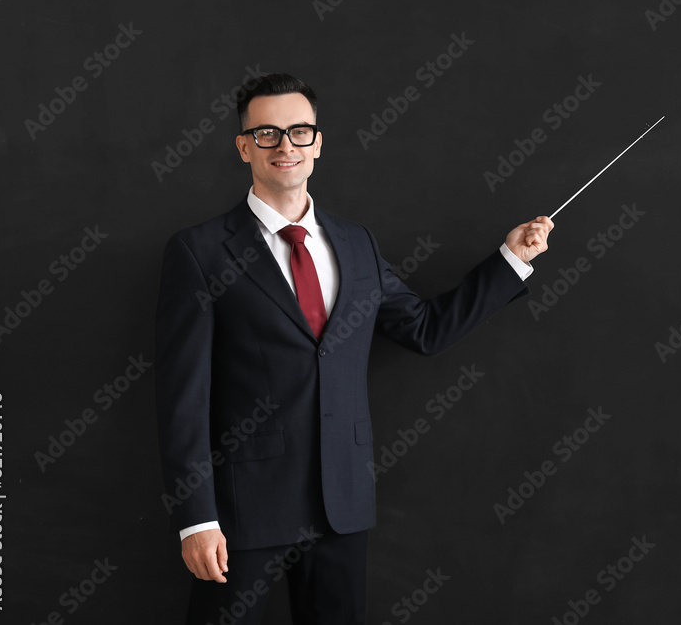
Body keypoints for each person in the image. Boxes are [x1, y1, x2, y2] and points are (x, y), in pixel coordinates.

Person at [155, 73, 554, 624]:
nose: (285, 145)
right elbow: (182, 399)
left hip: (341, 505)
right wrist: (196, 519)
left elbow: (424, 329)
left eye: (299, 132)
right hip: (242, 513)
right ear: (244, 146)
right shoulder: (199, 252)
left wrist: (511, 260)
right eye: (267, 133)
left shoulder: (355, 243)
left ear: (318, 142)